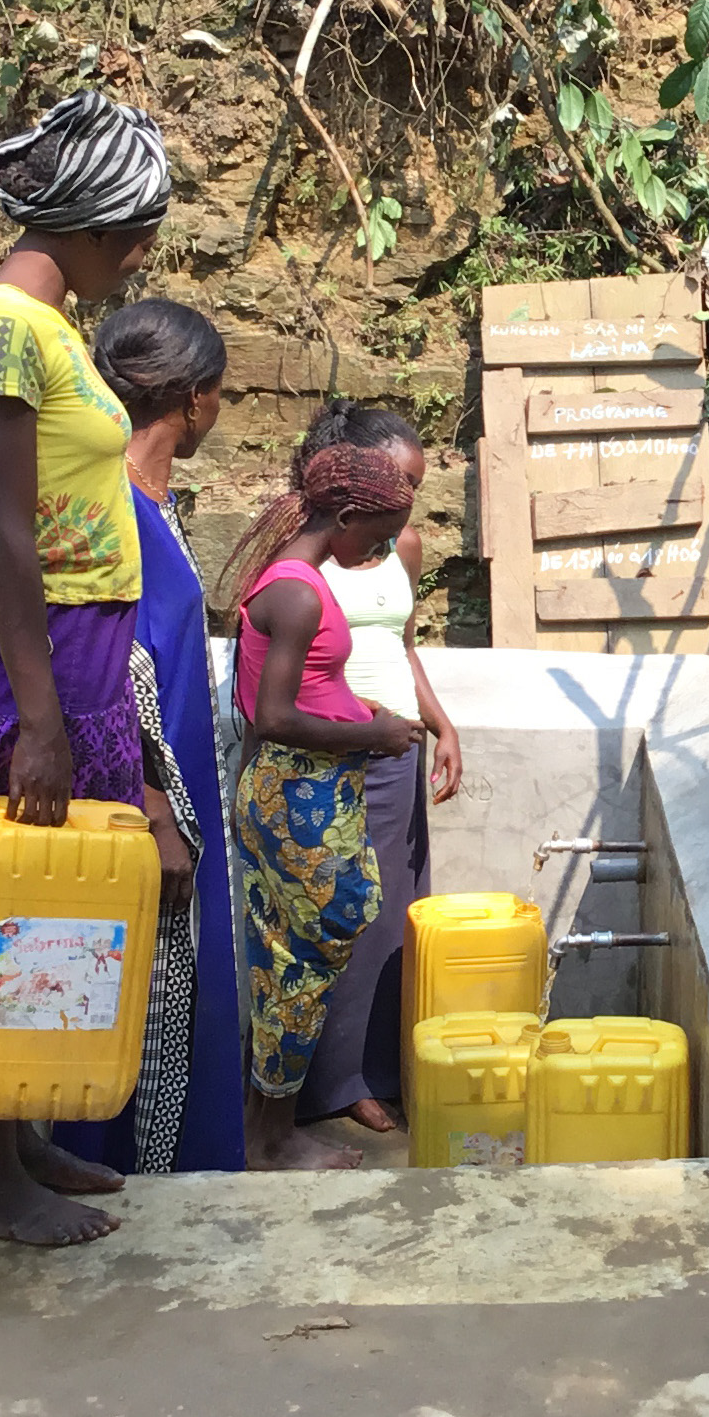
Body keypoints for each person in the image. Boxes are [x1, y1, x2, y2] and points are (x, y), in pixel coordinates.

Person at [0, 93, 196, 1247]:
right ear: (95, 226)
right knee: (10, 894)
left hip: (82, 648)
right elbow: (10, 537)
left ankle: (20, 1135)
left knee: (59, 896)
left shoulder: (47, 329)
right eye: (138, 235)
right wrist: (40, 721)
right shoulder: (7, 331)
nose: (141, 256)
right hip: (43, 648)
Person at [49, 298, 245, 1175]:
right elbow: (101, 668)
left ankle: (180, 1175)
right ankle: (141, 1185)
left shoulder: (153, 506)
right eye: (220, 394)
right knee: (144, 997)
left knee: (184, 988)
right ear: (192, 399)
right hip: (142, 806)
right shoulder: (113, 508)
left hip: (184, 792)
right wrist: (154, 808)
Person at [221, 443, 423, 1169]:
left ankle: (265, 1127)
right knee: (300, 962)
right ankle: (273, 1137)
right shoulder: (300, 593)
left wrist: (356, 709)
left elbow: (303, 690)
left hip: (304, 788)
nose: (377, 554)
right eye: (375, 538)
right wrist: (372, 733)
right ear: (342, 518)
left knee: (295, 954)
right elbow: (273, 715)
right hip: (299, 792)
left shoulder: (293, 581)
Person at [294, 405, 463, 1138]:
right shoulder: (309, 553)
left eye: (417, 488)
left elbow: (401, 645)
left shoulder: (405, 548)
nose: (407, 502)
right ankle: (328, 1083)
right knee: (337, 916)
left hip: (399, 751)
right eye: (398, 482)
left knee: (392, 913)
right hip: (334, 749)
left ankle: (377, 1073)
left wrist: (442, 724)